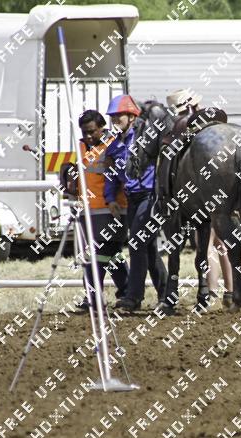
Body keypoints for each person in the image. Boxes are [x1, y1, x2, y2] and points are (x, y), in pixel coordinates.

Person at [61, 110, 129, 310]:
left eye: (92, 131)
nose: (88, 136)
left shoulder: (114, 145)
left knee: (97, 254)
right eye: (85, 132)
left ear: (102, 128)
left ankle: (94, 296)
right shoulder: (81, 146)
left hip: (110, 209)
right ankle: (126, 293)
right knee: (111, 254)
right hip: (88, 210)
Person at [104, 94, 166, 312]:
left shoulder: (145, 138)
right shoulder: (114, 146)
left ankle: (133, 297)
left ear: (131, 116)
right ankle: (166, 295)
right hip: (132, 199)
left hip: (149, 197)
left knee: (137, 243)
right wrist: (110, 198)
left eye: (119, 116)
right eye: (113, 116)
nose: (115, 120)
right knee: (148, 248)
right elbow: (111, 175)